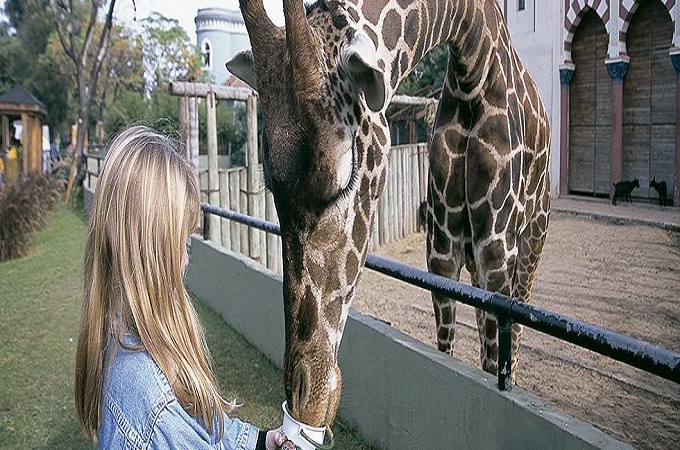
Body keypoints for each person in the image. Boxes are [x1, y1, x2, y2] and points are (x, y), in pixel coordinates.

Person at [74, 125, 285, 450]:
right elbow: (177, 421)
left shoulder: (120, 340)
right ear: (152, 250)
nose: (186, 261)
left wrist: (260, 442)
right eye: (181, 244)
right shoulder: (155, 408)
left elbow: (198, 424)